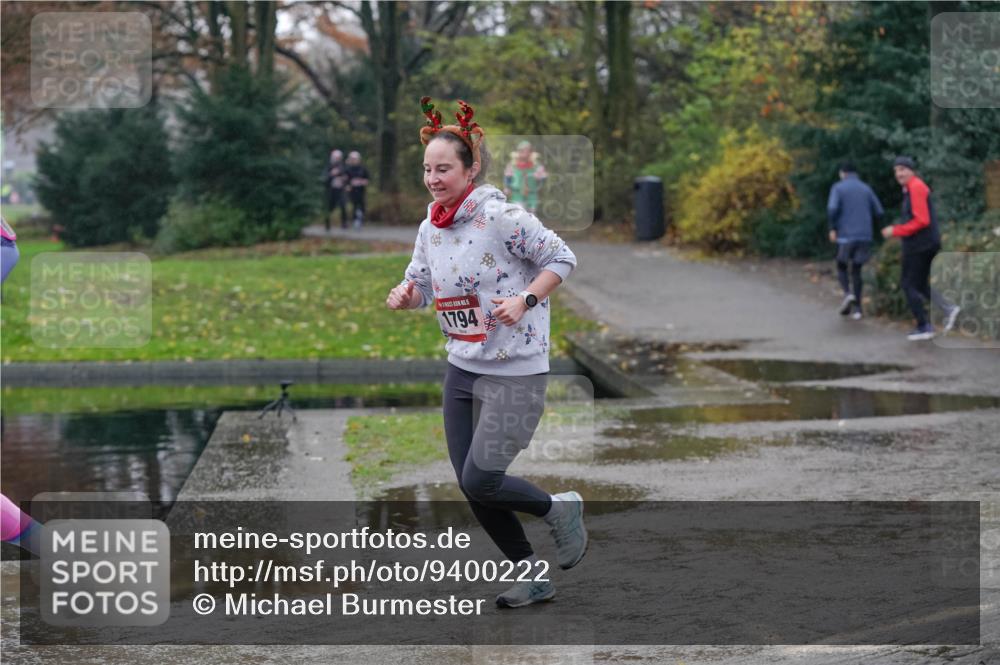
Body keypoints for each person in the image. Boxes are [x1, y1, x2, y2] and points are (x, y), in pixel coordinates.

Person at [386, 97, 585, 608]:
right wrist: (407, 296)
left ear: (471, 169)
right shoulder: (431, 226)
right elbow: (421, 284)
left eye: (443, 169)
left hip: (515, 371)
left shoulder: (502, 217)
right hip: (462, 371)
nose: (432, 179)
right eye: (427, 169)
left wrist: (526, 299)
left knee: (482, 478)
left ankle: (558, 509)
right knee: (472, 484)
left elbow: (561, 257)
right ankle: (531, 574)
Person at [881, 156, 960, 341]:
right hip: (925, 243)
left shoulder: (916, 187)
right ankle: (949, 309)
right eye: (896, 170)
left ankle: (924, 326)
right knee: (919, 284)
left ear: (911, 171)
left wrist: (896, 230)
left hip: (920, 245)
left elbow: (922, 220)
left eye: (902, 169)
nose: (899, 174)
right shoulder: (911, 188)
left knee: (908, 284)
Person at [827, 161, 884, 320]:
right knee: (857, 270)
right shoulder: (866, 188)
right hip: (864, 235)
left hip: (846, 236)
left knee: (841, 264)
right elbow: (879, 211)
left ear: (842, 173)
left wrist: (832, 228)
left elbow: (832, 208)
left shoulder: (838, 188)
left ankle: (847, 293)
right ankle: (858, 309)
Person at [503, 140, 547, 215]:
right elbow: (507, 177)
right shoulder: (512, 165)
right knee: (518, 214)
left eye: (527, 151)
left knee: (532, 215)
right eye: (522, 151)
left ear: (531, 152)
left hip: (532, 194)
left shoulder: (536, 165)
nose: (525, 153)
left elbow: (544, 177)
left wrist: (540, 178)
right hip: (517, 194)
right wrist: (507, 187)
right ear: (518, 152)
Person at [324, 149, 349, 230]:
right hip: (332, 191)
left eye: (339, 157)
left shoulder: (343, 166)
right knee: (330, 207)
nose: (338, 159)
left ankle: (344, 223)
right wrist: (331, 174)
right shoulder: (329, 166)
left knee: (343, 205)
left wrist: (345, 180)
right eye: (336, 157)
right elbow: (324, 178)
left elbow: (347, 177)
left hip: (341, 190)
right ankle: (327, 223)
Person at [345, 151, 370, 228]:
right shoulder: (348, 169)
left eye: (355, 159)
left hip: (361, 190)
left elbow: (367, 179)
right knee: (354, 205)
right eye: (352, 159)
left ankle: (361, 220)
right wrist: (348, 185)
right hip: (352, 191)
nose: (354, 161)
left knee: (362, 205)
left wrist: (361, 182)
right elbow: (345, 180)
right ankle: (355, 220)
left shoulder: (363, 169)